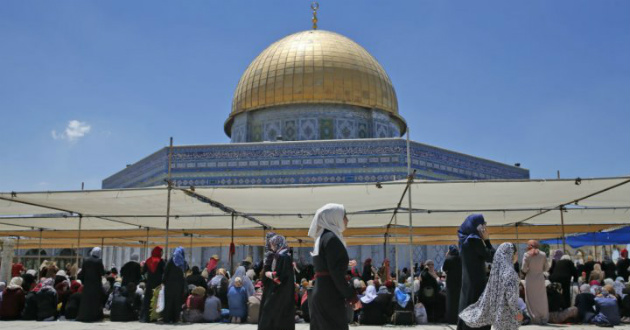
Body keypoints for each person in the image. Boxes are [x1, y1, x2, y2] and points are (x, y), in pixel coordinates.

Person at [308, 203, 356, 330]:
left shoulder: (322, 238)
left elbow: (326, 266)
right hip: (330, 294)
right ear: (333, 217)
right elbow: (336, 273)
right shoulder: (331, 239)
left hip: (321, 291)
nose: (346, 220)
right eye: (344, 216)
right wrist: (351, 295)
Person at [459, 242, 520, 330]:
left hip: (498, 317)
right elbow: (511, 298)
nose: (517, 255)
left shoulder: (497, 273)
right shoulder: (510, 273)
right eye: (516, 253)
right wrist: (518, 312)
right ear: (511, 254)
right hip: (508, 318)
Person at [457, 214, 494, 330]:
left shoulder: (463, 241)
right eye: (482, 224)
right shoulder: (474, 241)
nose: (484, 227)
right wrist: (487, 240)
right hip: (476, 281)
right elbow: (492, 257)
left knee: (467, 307)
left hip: (468, 282)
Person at [258, 234, 295, 330]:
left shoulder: (283, 257)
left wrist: (268, 274)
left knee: (270, 317)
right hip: (282, 293)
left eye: (273, 244)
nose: (271, 246)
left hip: (279, 293)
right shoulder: (284, 256)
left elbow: (278, 277)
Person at [521, 239, 549, 324]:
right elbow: (546, 268)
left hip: (530, 279)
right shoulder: (543, 254)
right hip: (540, 279)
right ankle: (543, 318)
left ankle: (534, 318)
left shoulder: (526, 255)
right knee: (542, 299)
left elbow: (524, 269)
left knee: (531, 299)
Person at [76, 247, 105, 322]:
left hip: (87, 284)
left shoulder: (85, 260)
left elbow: (83, 272)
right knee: (95, 301)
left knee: (86, 301)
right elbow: (102, 273)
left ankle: (84, 315)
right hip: (96, 285)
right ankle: (94, 316)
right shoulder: (99, 261)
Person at [162, 246, 187, 324]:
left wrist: (164, 281)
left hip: (169, 285)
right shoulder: (183, 262)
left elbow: (165, 272)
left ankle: (167, 318)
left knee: (168, 302)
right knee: (177, 302)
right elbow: (185, 271)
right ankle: (175, 318)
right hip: (179, 286)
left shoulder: (170, 261)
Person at [140, 246, 165, 322]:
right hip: (158, 283)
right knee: (155, 301)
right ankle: (154, 317)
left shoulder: (148, 261)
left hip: (149, 283)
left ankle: (145, 317)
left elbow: (142, 272)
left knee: (147, 300)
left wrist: (145, 279)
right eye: (161, 252)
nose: (162, 253)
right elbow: (165, 271)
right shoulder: (161, 261)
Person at [442, 245, 462, 324]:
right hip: (460, 283)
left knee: (450, 302)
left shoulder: (449, 259)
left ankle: (451, 319)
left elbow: (444, 268)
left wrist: (447, 256)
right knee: (458, 301)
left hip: (451, 284)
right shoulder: (461, 258)